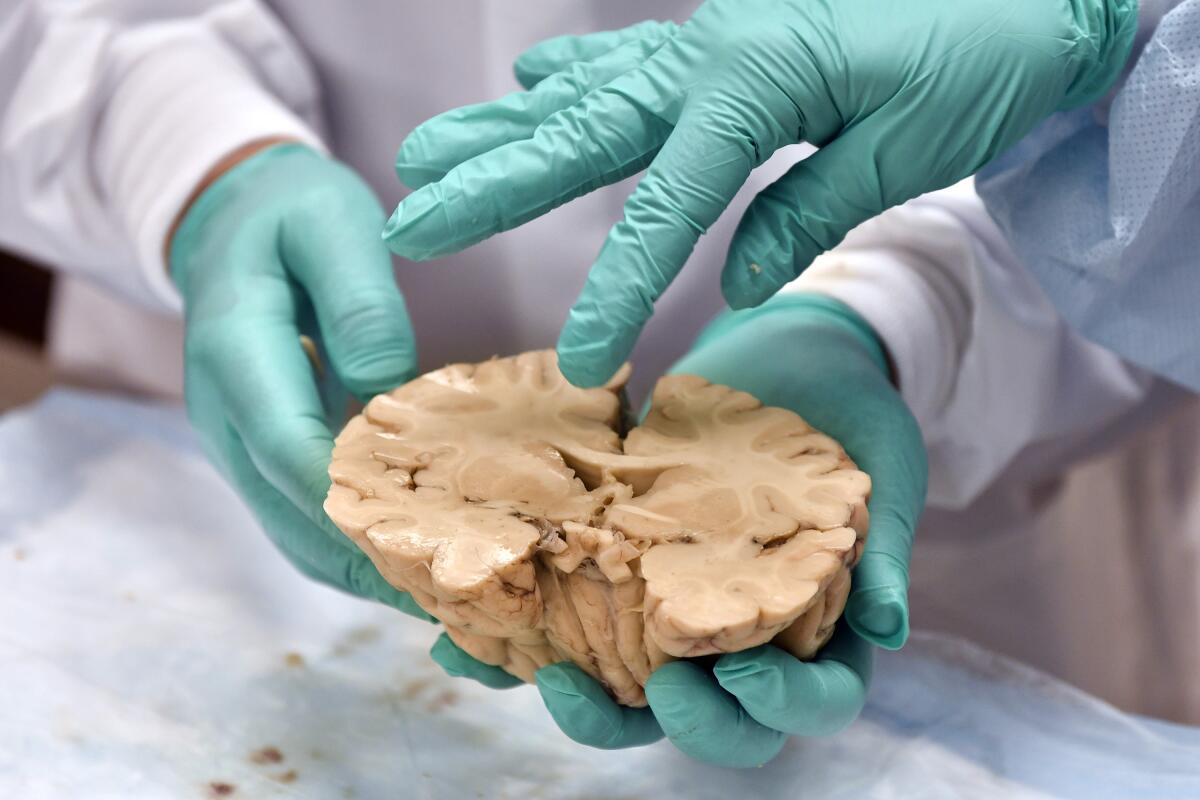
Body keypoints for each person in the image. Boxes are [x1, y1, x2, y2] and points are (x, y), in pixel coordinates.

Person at [1, 0, 1197, 767]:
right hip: (193, 475)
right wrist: (188, 162)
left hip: (941, 498)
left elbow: (1151, 166)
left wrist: (899, 309)